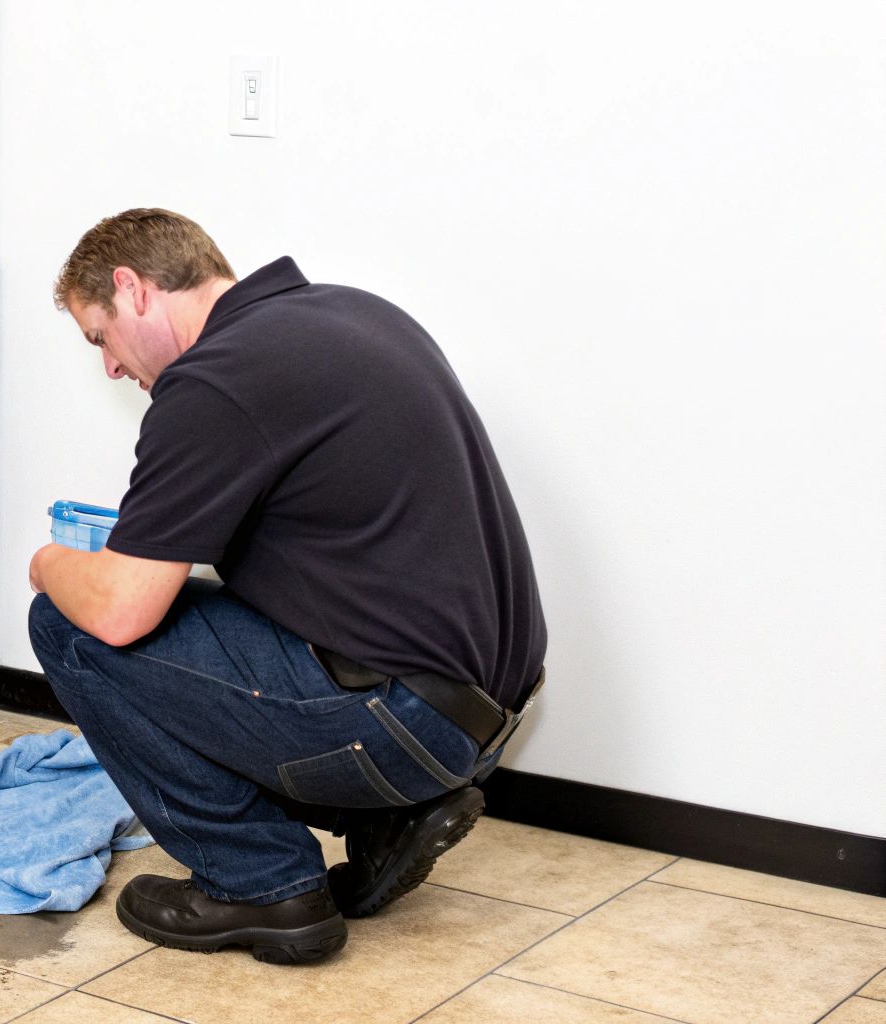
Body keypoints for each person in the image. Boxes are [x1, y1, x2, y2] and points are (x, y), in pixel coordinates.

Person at [27, 209, 546, 965]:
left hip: (403, 722)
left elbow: (118, 611)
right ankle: (390, 817)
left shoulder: (215, 383)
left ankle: (262, 885)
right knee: (203, 616)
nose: (109, 367)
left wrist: (47, 563)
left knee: (69, 626)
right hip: (485, 718)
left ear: (132, 289)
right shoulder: (348, 312)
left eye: (97, 337)